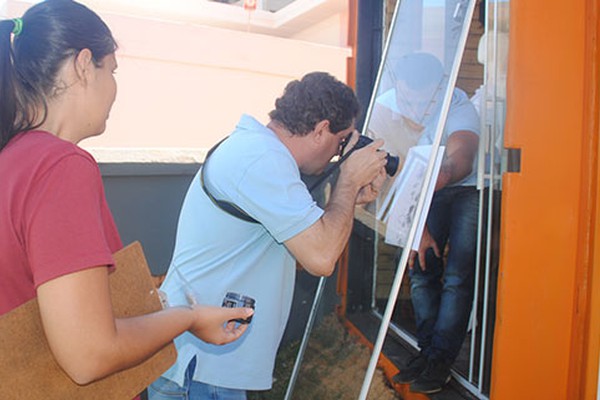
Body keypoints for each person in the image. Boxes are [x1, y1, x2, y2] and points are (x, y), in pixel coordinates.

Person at [0, 0, 253, 396]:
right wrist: (187, 318)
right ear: (84, 65)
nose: (115, 89)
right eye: (112, 70)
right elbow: (90, 354)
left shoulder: (12, 161)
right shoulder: (59, 167)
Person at [149, 72, 387, 399]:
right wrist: (346, 182)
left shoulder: (259, 152)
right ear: (321, 130)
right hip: (204, 366)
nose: (338, 154)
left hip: (208, 361)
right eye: (341, 141)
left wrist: (347, 199)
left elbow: (309, 247)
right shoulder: (262, 158)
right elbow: (322, 258)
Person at [373, 53, 480, 394]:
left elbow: (461, 158)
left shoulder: (459, 105)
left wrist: (439, 177)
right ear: (397, 88)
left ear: (440, 90)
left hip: (463, 189)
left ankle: (441, 360)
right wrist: (417, 228)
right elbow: (386, 179)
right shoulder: (385, 108)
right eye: (410, 100)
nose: (417, 110)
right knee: (421, 269)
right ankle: (426, 352)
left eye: (426, 102)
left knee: (457, 276)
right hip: (416, 187)